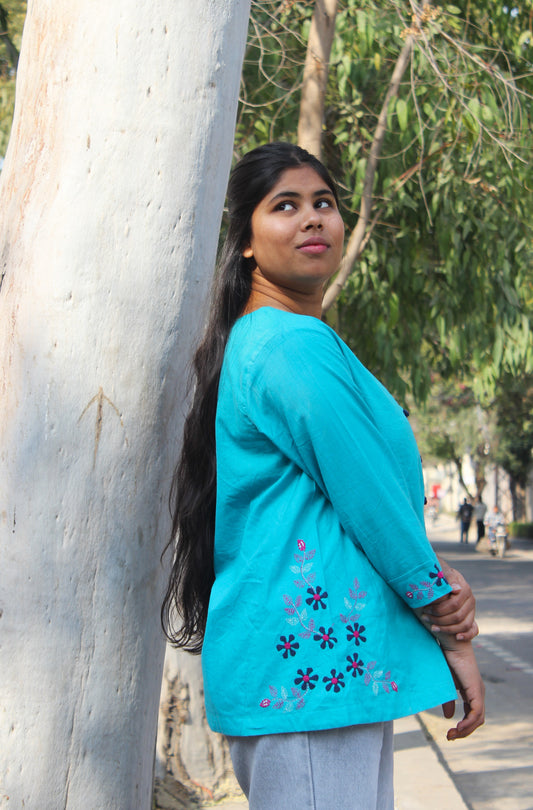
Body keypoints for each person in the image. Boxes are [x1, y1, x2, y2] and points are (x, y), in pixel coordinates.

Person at [162, 143, 484, 810]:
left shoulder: (280, 339)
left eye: (323, 203)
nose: (312, 218)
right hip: (309, 677)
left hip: (319, 675)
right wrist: (447, 623)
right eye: (285, 206)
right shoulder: (287, 344)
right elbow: (370, 498)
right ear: (245, 242)